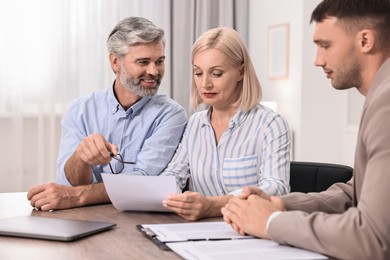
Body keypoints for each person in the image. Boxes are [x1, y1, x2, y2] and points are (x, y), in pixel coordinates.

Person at [221, 0, 390, 259]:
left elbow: (373, 237)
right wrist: (279, 204)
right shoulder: (379, 94)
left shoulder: (386, 101)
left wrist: (271, 222)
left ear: (365, 40)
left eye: (325, 45)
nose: (317, 60)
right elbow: (354, 193)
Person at [27, 17, 187, 211]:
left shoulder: (171, 115)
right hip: (86, 218)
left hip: (139, 219)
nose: (154, 71)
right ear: (115, 62)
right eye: (143, 62)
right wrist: (81, 158)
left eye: (159, 61)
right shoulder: (79, 111)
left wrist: (78, 196)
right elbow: (68, 181)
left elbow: (144, 182)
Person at [161, 27, 290, 221]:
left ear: (241, 72)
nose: (205, 84)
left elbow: (276, 188)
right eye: (198, 73)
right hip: (198, 231)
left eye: (217, 73)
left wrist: (212, 205)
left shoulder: (271, 124)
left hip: (249, 231)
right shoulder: (195, 123)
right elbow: (174, 174)